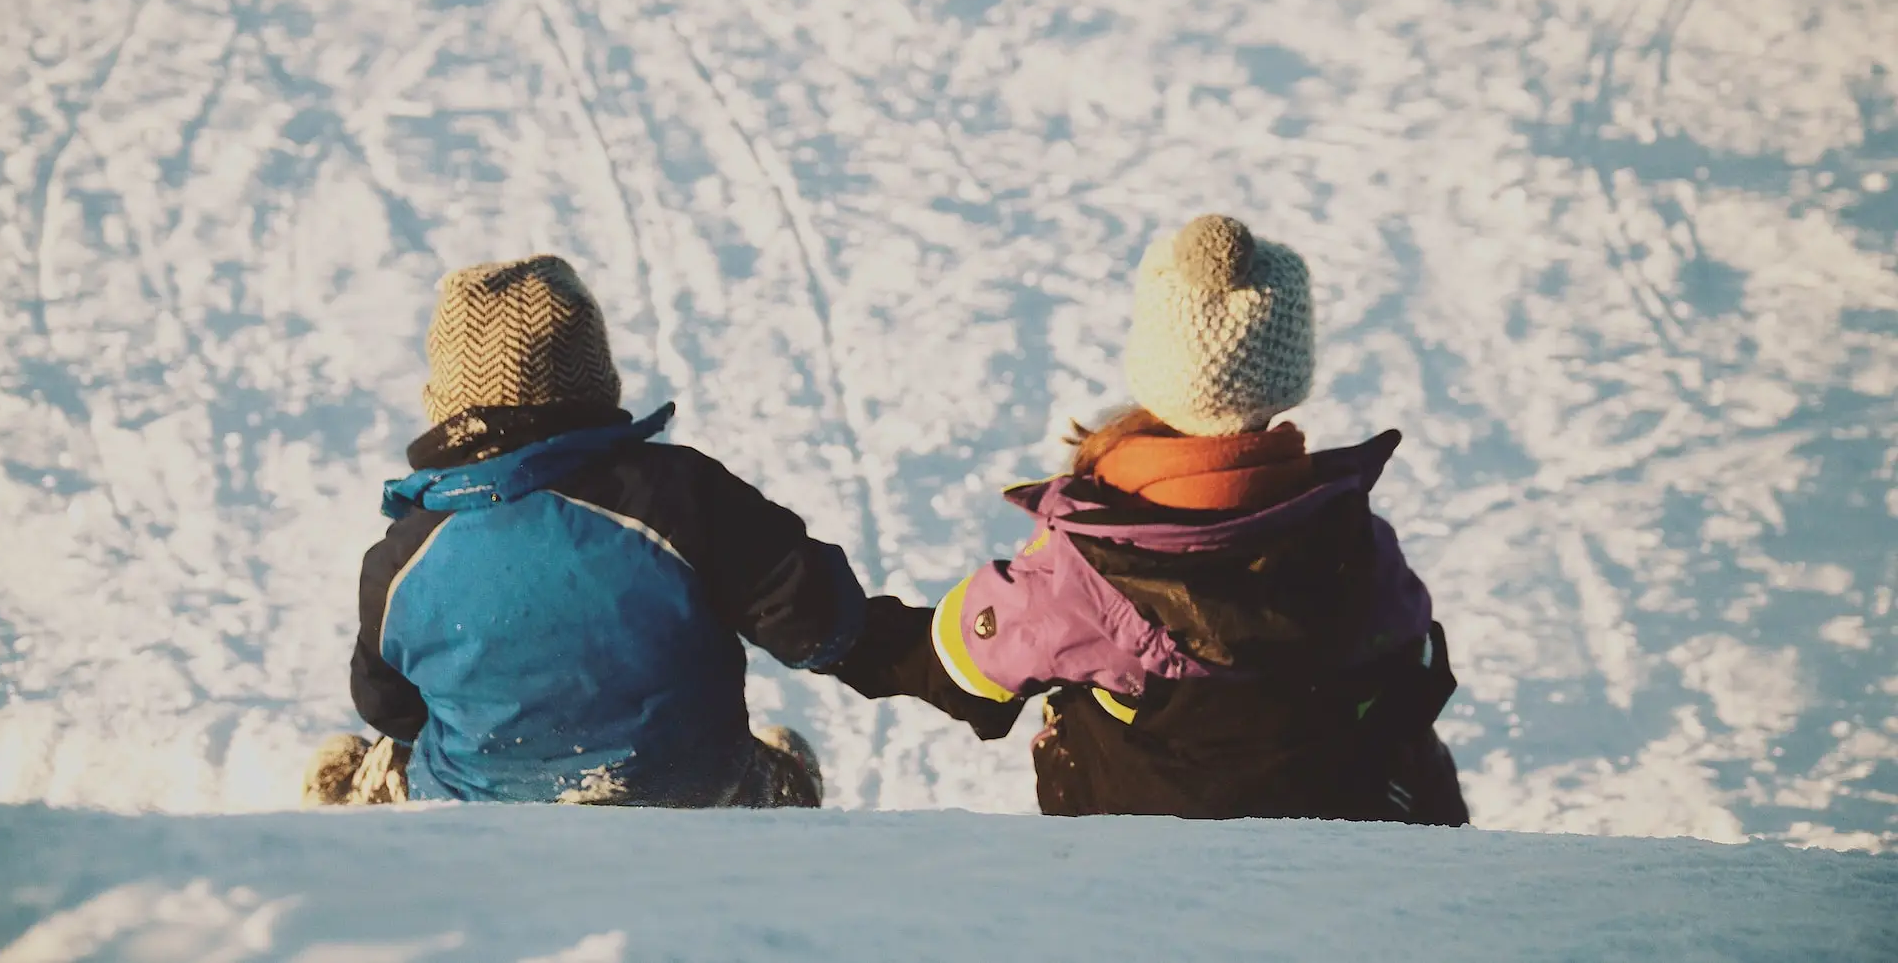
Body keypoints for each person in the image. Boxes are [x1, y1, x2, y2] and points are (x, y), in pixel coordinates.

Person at [845, 215, 1470, 822]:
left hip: (1137, 846)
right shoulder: (1358, 546)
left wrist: (826, 623)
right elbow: (1413, 683)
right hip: (1330, 830)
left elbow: (954, 665)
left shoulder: (1079, 575)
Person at [301, 254, 862, 808]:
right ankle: (783, 793)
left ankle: (370, 795)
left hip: (480, 814)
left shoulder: (404, 556)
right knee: (775, 761)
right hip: (693, 798)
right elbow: (818, 625)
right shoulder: (679, 496)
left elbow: (388, 708)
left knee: (401, 748)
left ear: (447, 404)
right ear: (597, 379)